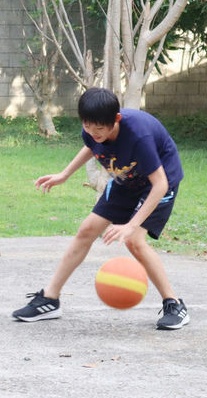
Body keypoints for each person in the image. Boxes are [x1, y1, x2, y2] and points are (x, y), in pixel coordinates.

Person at [12, 87, 189, 330]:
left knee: (135, 241)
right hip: (126, 179)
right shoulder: (92, 131)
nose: (93, 133)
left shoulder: (138, 136)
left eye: (100, 129)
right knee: (87, 230)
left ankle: (174, 304)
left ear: (116, 120)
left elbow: (160, 184)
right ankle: (50, 299)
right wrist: (64, 175)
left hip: (158, 182)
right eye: (88, 126)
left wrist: (131, 225)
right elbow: (91, 147)